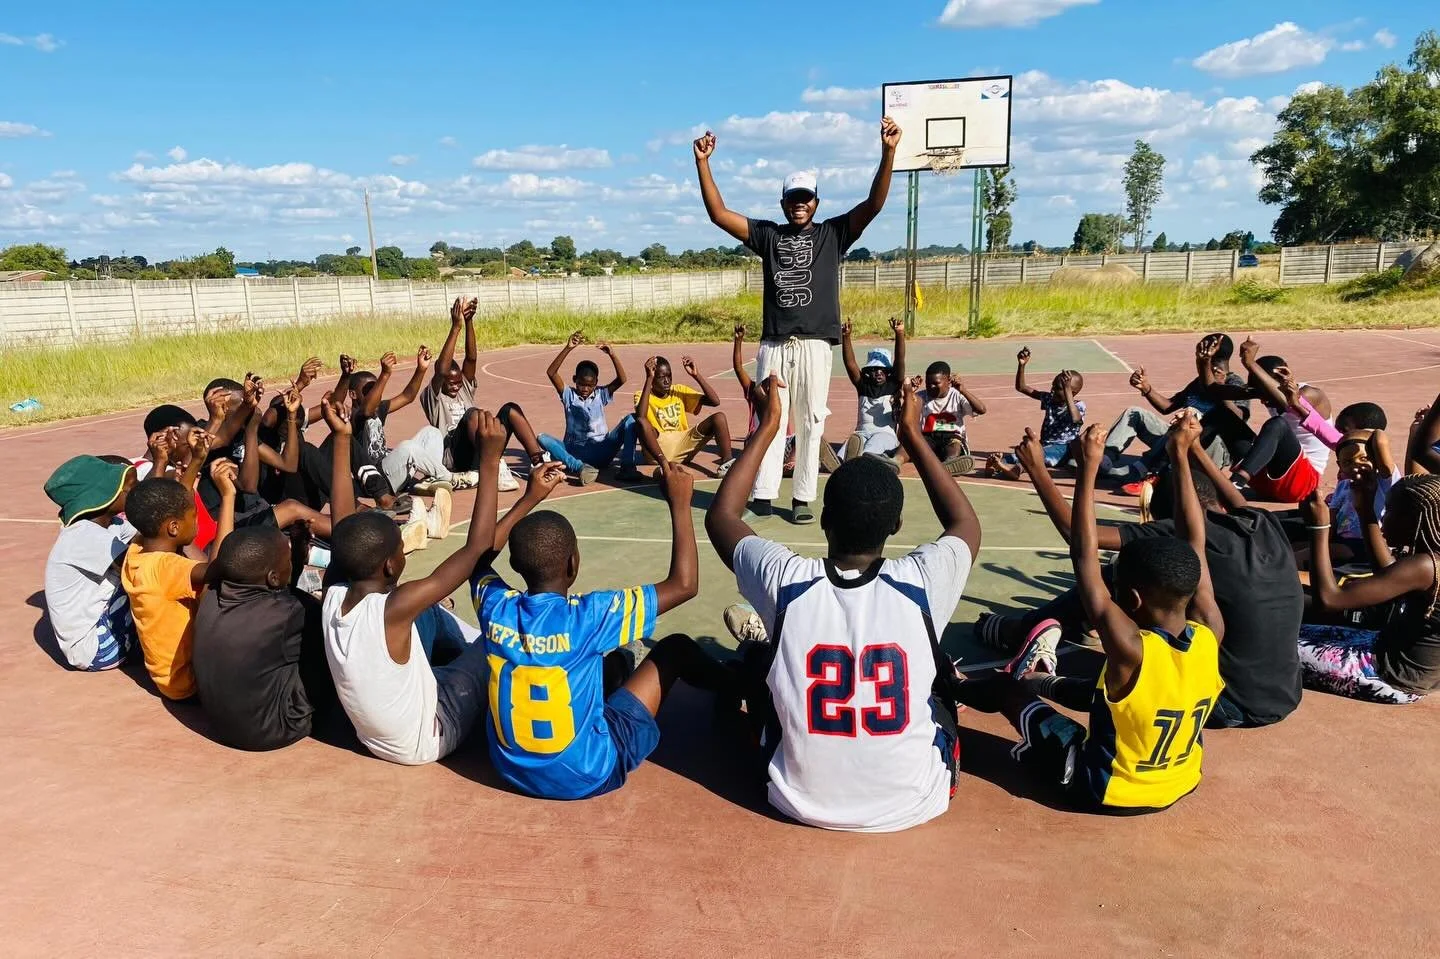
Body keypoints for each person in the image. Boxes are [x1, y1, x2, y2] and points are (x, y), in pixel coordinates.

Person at [708, 375, 981, 833]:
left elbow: (722, 516)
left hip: (793, 799)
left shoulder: (787, 579)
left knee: (767, 665)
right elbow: (964, 522)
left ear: (824, 520)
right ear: (896, 525)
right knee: (939, 681)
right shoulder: (921, 581)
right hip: (914, 801)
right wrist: (912, 435)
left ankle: (766, 637)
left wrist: (769, 425)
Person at [958, 416, 1225, 814]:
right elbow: (1195, 546)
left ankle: (950, 687)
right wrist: (1181, 455)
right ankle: (1039, 677)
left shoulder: (1132, 648)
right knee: (1106, 694)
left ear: (1130, 600)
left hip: (1102, 789)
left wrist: (1088, 469)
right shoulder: (1209, 634)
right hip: (1180, 782)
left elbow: (1084, 557)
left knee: (1005, 690)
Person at [979, 427, 1302, 728]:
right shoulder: (1261, 522)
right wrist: (1192, 448)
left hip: (1225, 701)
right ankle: (1048, 630)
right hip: (1285, 692)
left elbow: (1077, 537)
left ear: (1169, 516)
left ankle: (1023, 633)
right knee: (1176, 581)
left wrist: (1039, 470)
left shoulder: (1174, 529)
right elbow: (1227, 504)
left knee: (1128, 571)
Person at [473, 460, 737, 800]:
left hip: (511, 771)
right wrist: (680, 503)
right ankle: (740, 684)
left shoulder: (496, 607)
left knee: (604, 664)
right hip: (589, 774)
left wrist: (530, 498)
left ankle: (623, 663)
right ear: (573, 564)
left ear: (513, 565)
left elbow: (477, 559)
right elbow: (684, 585)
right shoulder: (589, 616)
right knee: (675, 649)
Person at [693, 117, 901, 524]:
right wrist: (703, 162)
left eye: (806, 198)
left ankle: (803, 496)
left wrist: (888, 152)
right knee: (771, 420)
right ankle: (764, 492)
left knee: (810, 420)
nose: (799, 204)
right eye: (793, 198)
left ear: (817, 203)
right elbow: (718, 214)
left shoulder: (833, 234)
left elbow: (874, 205)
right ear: (783, 202)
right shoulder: (769, 235)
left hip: (814, 345)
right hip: (774, 344)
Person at [321, 410, 513, 766]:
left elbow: (342, 527)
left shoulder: (333, 594)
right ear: (391, 565)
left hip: (375, 736)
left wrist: (343, 440)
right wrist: (490, 462)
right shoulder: (394, 608)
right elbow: (475, 551)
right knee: (502, 639)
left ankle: (454, 648)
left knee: (430, 609)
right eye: (401, 544)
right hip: (430, 733)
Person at [191, 395, 356, 750]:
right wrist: (342, 440)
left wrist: (293, 552)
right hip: (275, 730)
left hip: (222, 723)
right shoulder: (287, 614)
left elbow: (226, 558)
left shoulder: (212, 594)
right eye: (286, 562)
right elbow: (342, 574)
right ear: (271, 579)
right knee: (341, 628)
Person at [1298, 474, 1440, 703]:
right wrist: (1364, 510)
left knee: (1272, 645)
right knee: (1286, 630)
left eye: (1390, 511)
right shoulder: (1429, 561)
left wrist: (1319, 527)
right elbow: (1389, 573)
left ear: (1413, 520)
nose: (1384, 518)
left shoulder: (1425, 566)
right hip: (1387, 652)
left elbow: (1329, 600)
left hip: (1389, 677)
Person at [121, 461, 239, 700]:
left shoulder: (138, 547)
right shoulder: (165, 567)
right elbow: (220, 567)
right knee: (233, 585)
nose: (197, 522)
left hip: (167, 678)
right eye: (194, 516)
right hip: (189, 683)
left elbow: (169, 505)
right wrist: (228, 496)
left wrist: (196, 462)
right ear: (174, 527)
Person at [1100, 333, 1251, 487]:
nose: (1197, 350)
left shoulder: (1234, 382)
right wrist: (1146, 389)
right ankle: (1104, 460)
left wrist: (1220, 390)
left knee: (1184, 425)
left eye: (1201, 347)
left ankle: (1147, 471)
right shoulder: (1198, 381)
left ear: (1212, 349)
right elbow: (1168, 406)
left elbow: (1238, 418)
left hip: (1212, 447)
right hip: (1176, 439)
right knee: (1135, 413)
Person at [42, 456, 139, 671]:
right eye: (130, 488)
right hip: (94, 647)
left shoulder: (111, 525)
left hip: (103, 628)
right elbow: (138, 567)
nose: (136, 494)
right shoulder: (83, 535)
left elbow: (143, 530)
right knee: (151, 579)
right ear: (104, 496)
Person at [537, 329, 642, 484]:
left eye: (590, 385)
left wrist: (612, 354)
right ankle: (579, 467)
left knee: (631, 419)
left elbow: (621, 379)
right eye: (581, 384)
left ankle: (627, 467)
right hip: (575, 451)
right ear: (574, 380)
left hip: (602, 450)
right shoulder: (568, 395)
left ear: (596, 383)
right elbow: (551, 373)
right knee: (542, 438)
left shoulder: (601, 394)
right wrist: (568, 348)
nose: (585, 389)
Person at [988, 348, 1083, 480]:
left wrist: (1067, 390)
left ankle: (1016, 471)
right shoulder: (1050, 398)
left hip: (1064, 448)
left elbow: (1075, 419)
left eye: (1058, 388)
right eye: (1053, 386)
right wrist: (1022, 365)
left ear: (1072, 392)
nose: (1053, 390)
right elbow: (1022, 388)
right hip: (1044, 444)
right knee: (1023, 452)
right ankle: (998, 463)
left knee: (1035, 456)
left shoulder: (1078, 406)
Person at [634, 355, 734, 479]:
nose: (667, 381)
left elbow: (714, 401)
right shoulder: (642, 395)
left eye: (669, 376)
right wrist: (649, 379)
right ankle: (665, 466)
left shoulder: (678, 390)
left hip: (683, 444)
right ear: (653, 377)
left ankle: (727, 462)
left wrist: (696, 375)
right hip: (659, 448)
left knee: (719, 418)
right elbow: (640, 417)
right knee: (642, 423)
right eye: (661, 377)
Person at [836, 317, 909, 470]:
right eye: (874, 369)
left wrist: (899, 334)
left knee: (868, 453)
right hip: (861, 433)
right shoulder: (862, 385)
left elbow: (900, 360)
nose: (878, 372)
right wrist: (846, 337)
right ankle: (840, 463)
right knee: (842, 456)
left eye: (883, 369)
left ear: (888, 371)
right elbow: (850, 364)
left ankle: (863, 463)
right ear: (868, 372)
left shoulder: (894, 383)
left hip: (885, 435)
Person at [732, 324, 804, 474]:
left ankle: (791, 462)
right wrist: (738, 342)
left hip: (783, 444)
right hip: (759, 440)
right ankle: (771, 465)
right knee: (752, 438)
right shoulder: (753, 390)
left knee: (803, 435)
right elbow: (738, 368)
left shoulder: (784, 388)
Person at [916, 359, 987, 475]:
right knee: (913, 440)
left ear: (948, 381)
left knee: (955, 442)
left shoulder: (957, 395)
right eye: (928, 384)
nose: (931, 387)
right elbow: (905, 419)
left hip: (951, 438)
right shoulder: (920, 396)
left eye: (935, 383)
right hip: (928, 438)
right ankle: (896, 461)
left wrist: (963, 390)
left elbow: (981, 410)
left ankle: (951, 462)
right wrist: (909, 394)